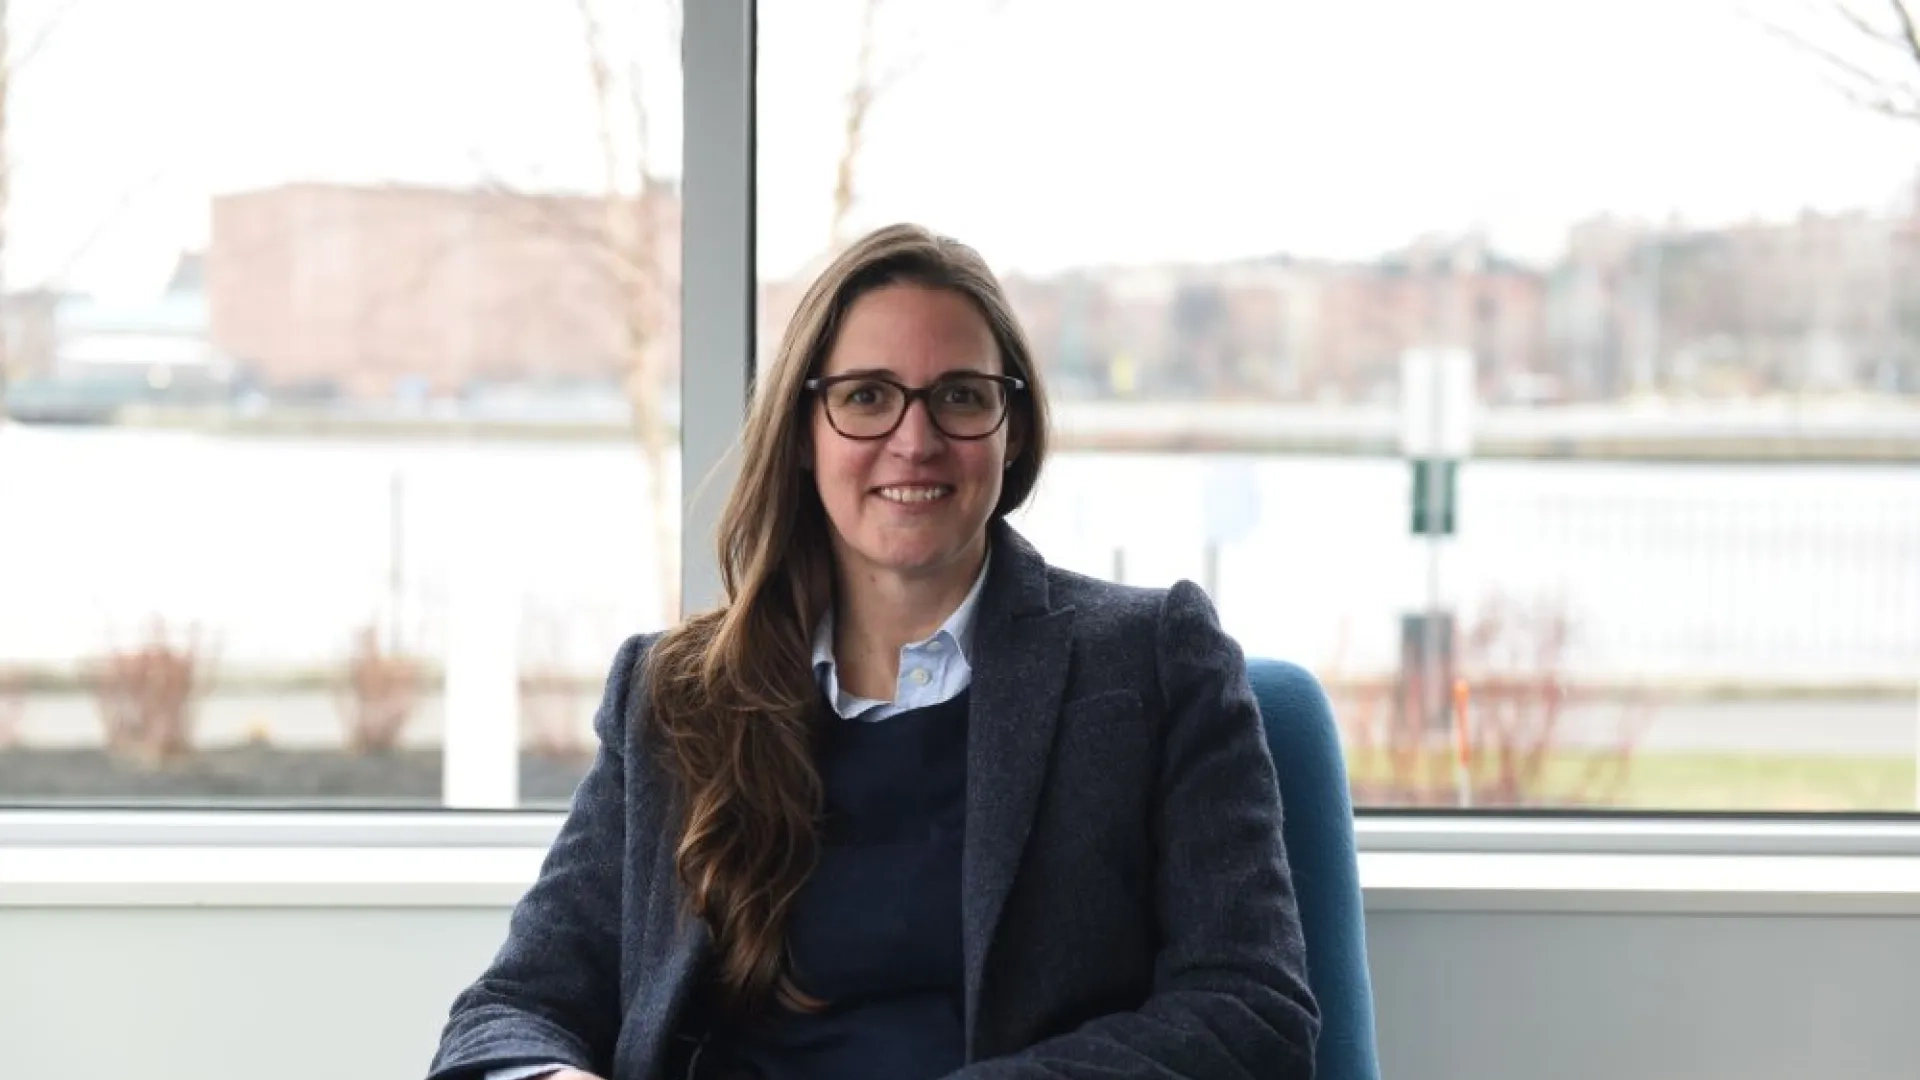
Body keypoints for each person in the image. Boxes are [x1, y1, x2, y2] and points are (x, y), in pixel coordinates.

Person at [427, 224, 1319, 1080]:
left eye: (962, 395)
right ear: (803, 433)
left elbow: (1251, 1009)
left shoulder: (1151, 663)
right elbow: (512, 1009)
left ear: (1012, 431)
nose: (915, 438)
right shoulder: (676, 693)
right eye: (866, 396)